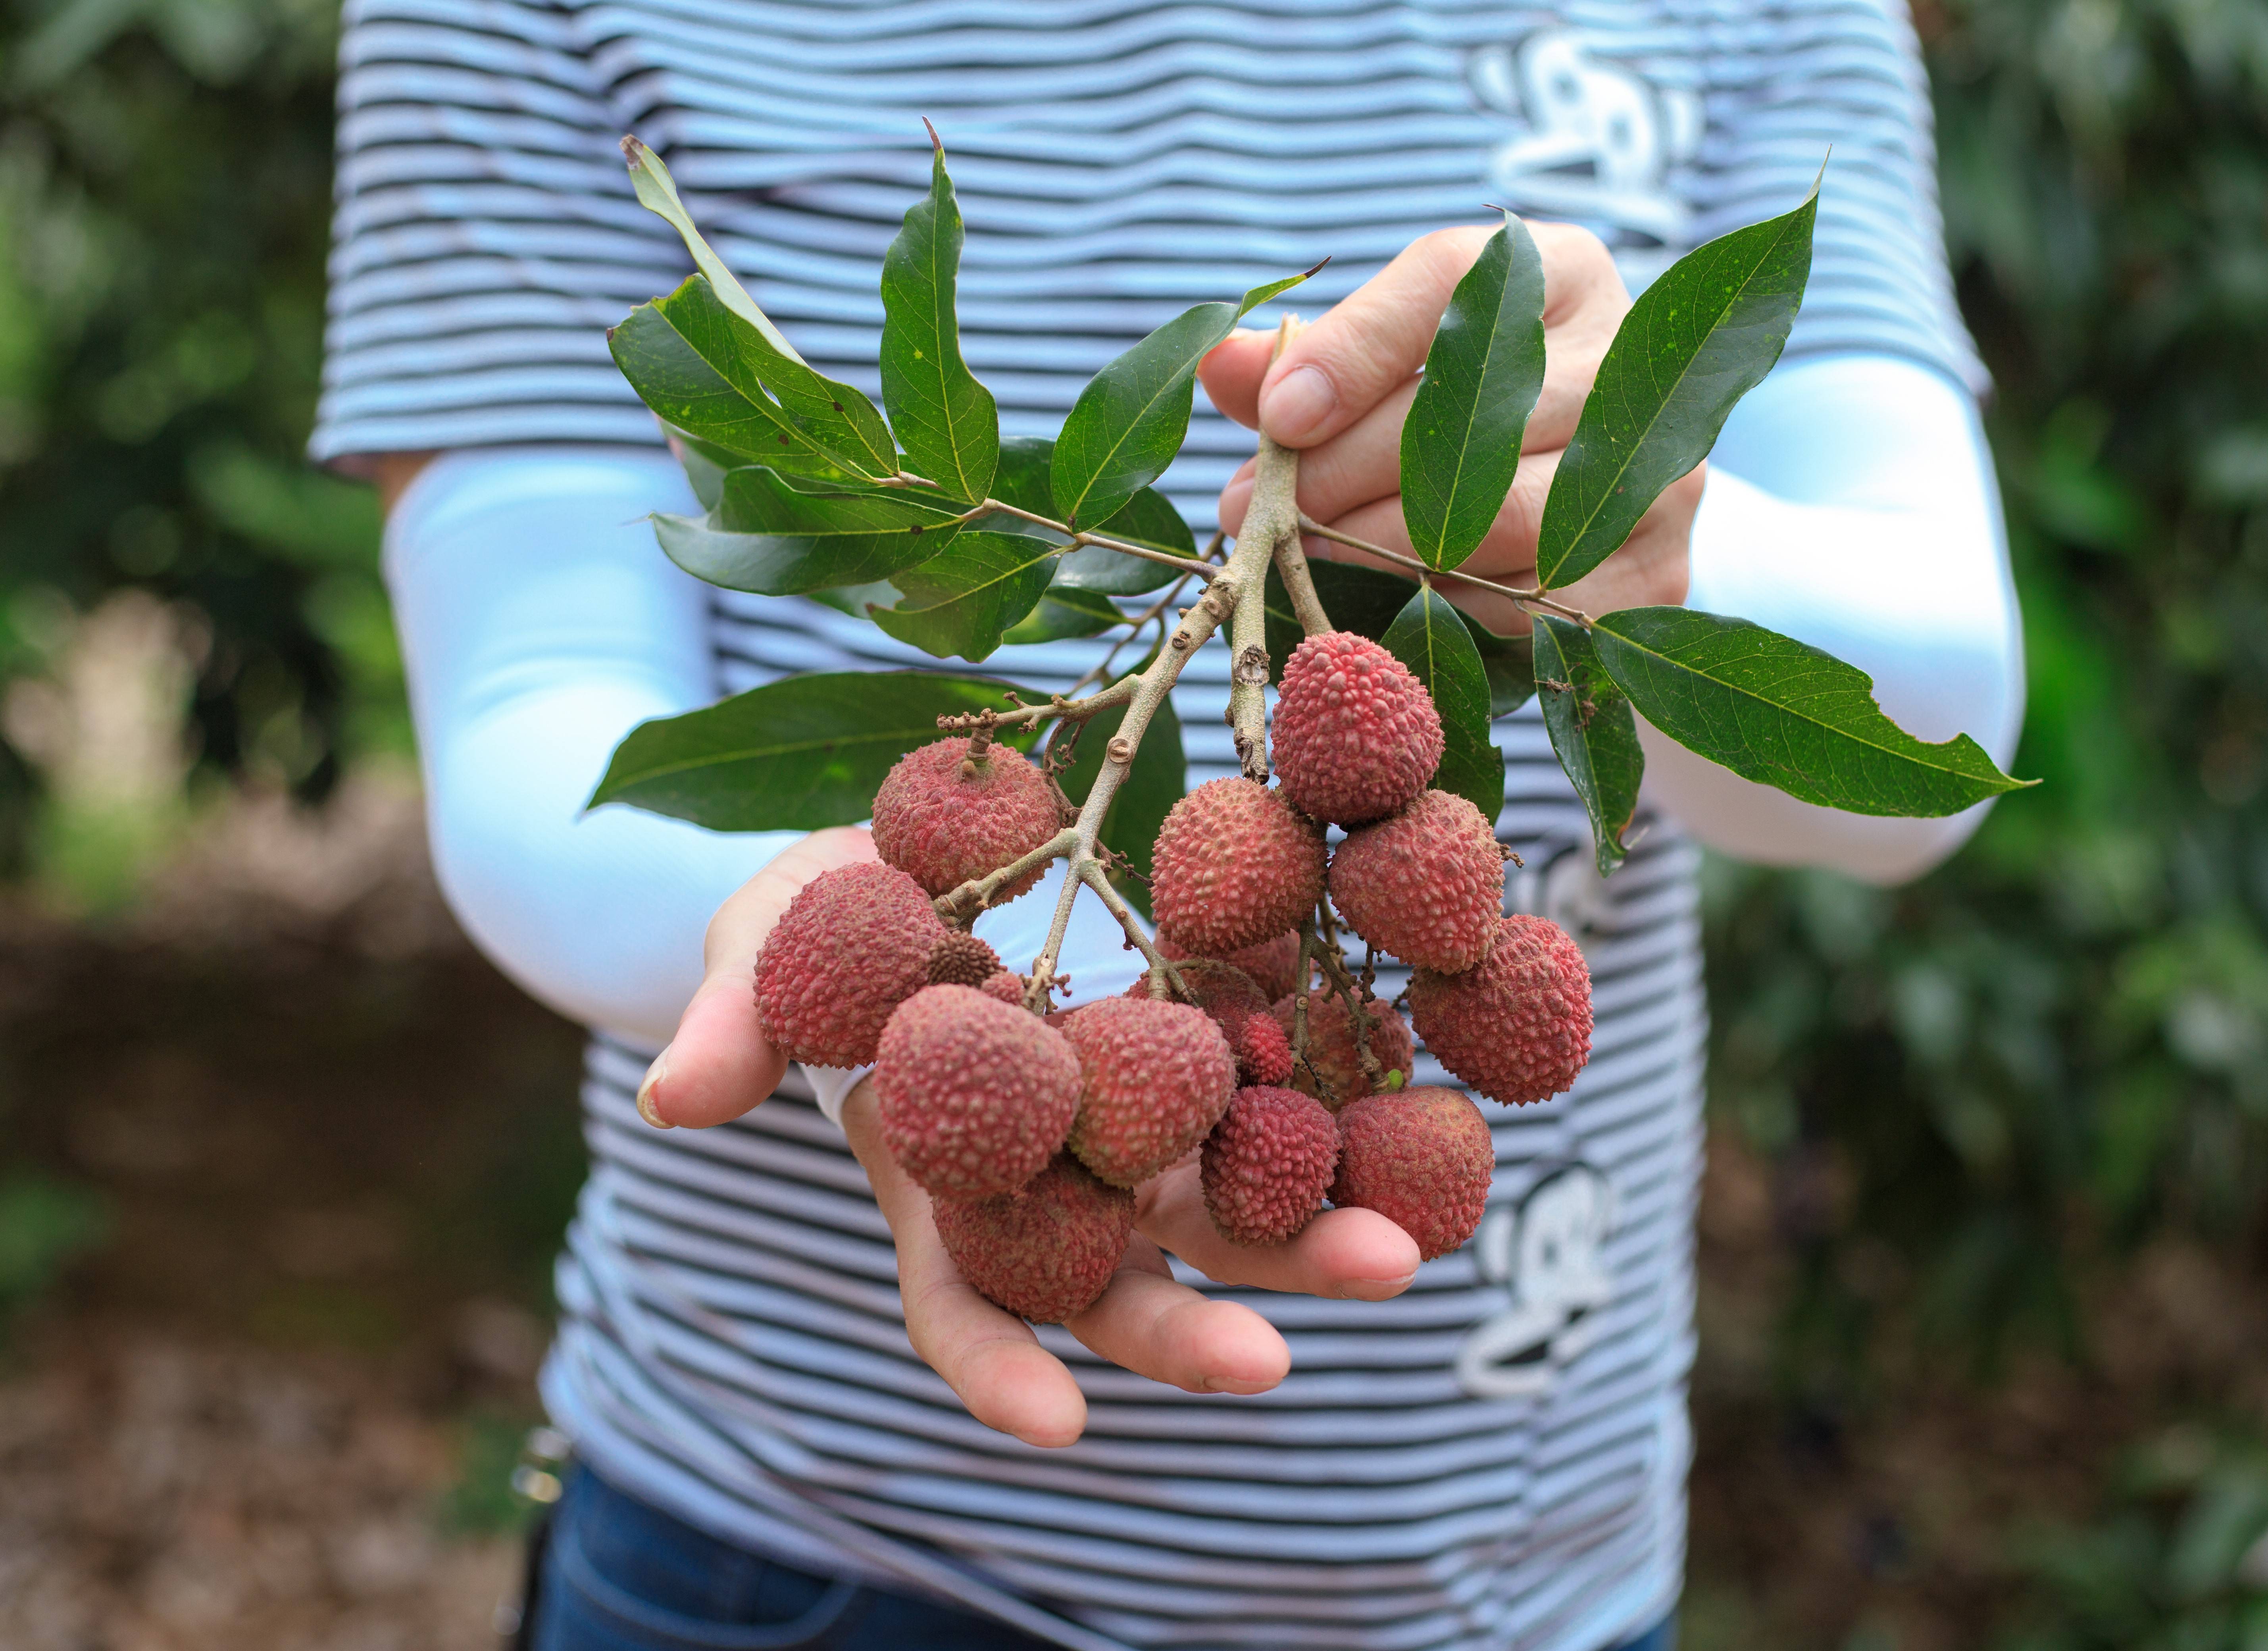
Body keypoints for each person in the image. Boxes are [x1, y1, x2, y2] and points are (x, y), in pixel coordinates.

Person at [319, 1, 2022, 1646]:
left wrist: (1661, 550)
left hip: (1534, 1576)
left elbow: (1944, 743)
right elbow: (536, 719)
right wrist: (791, 944)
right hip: (800, 1545)